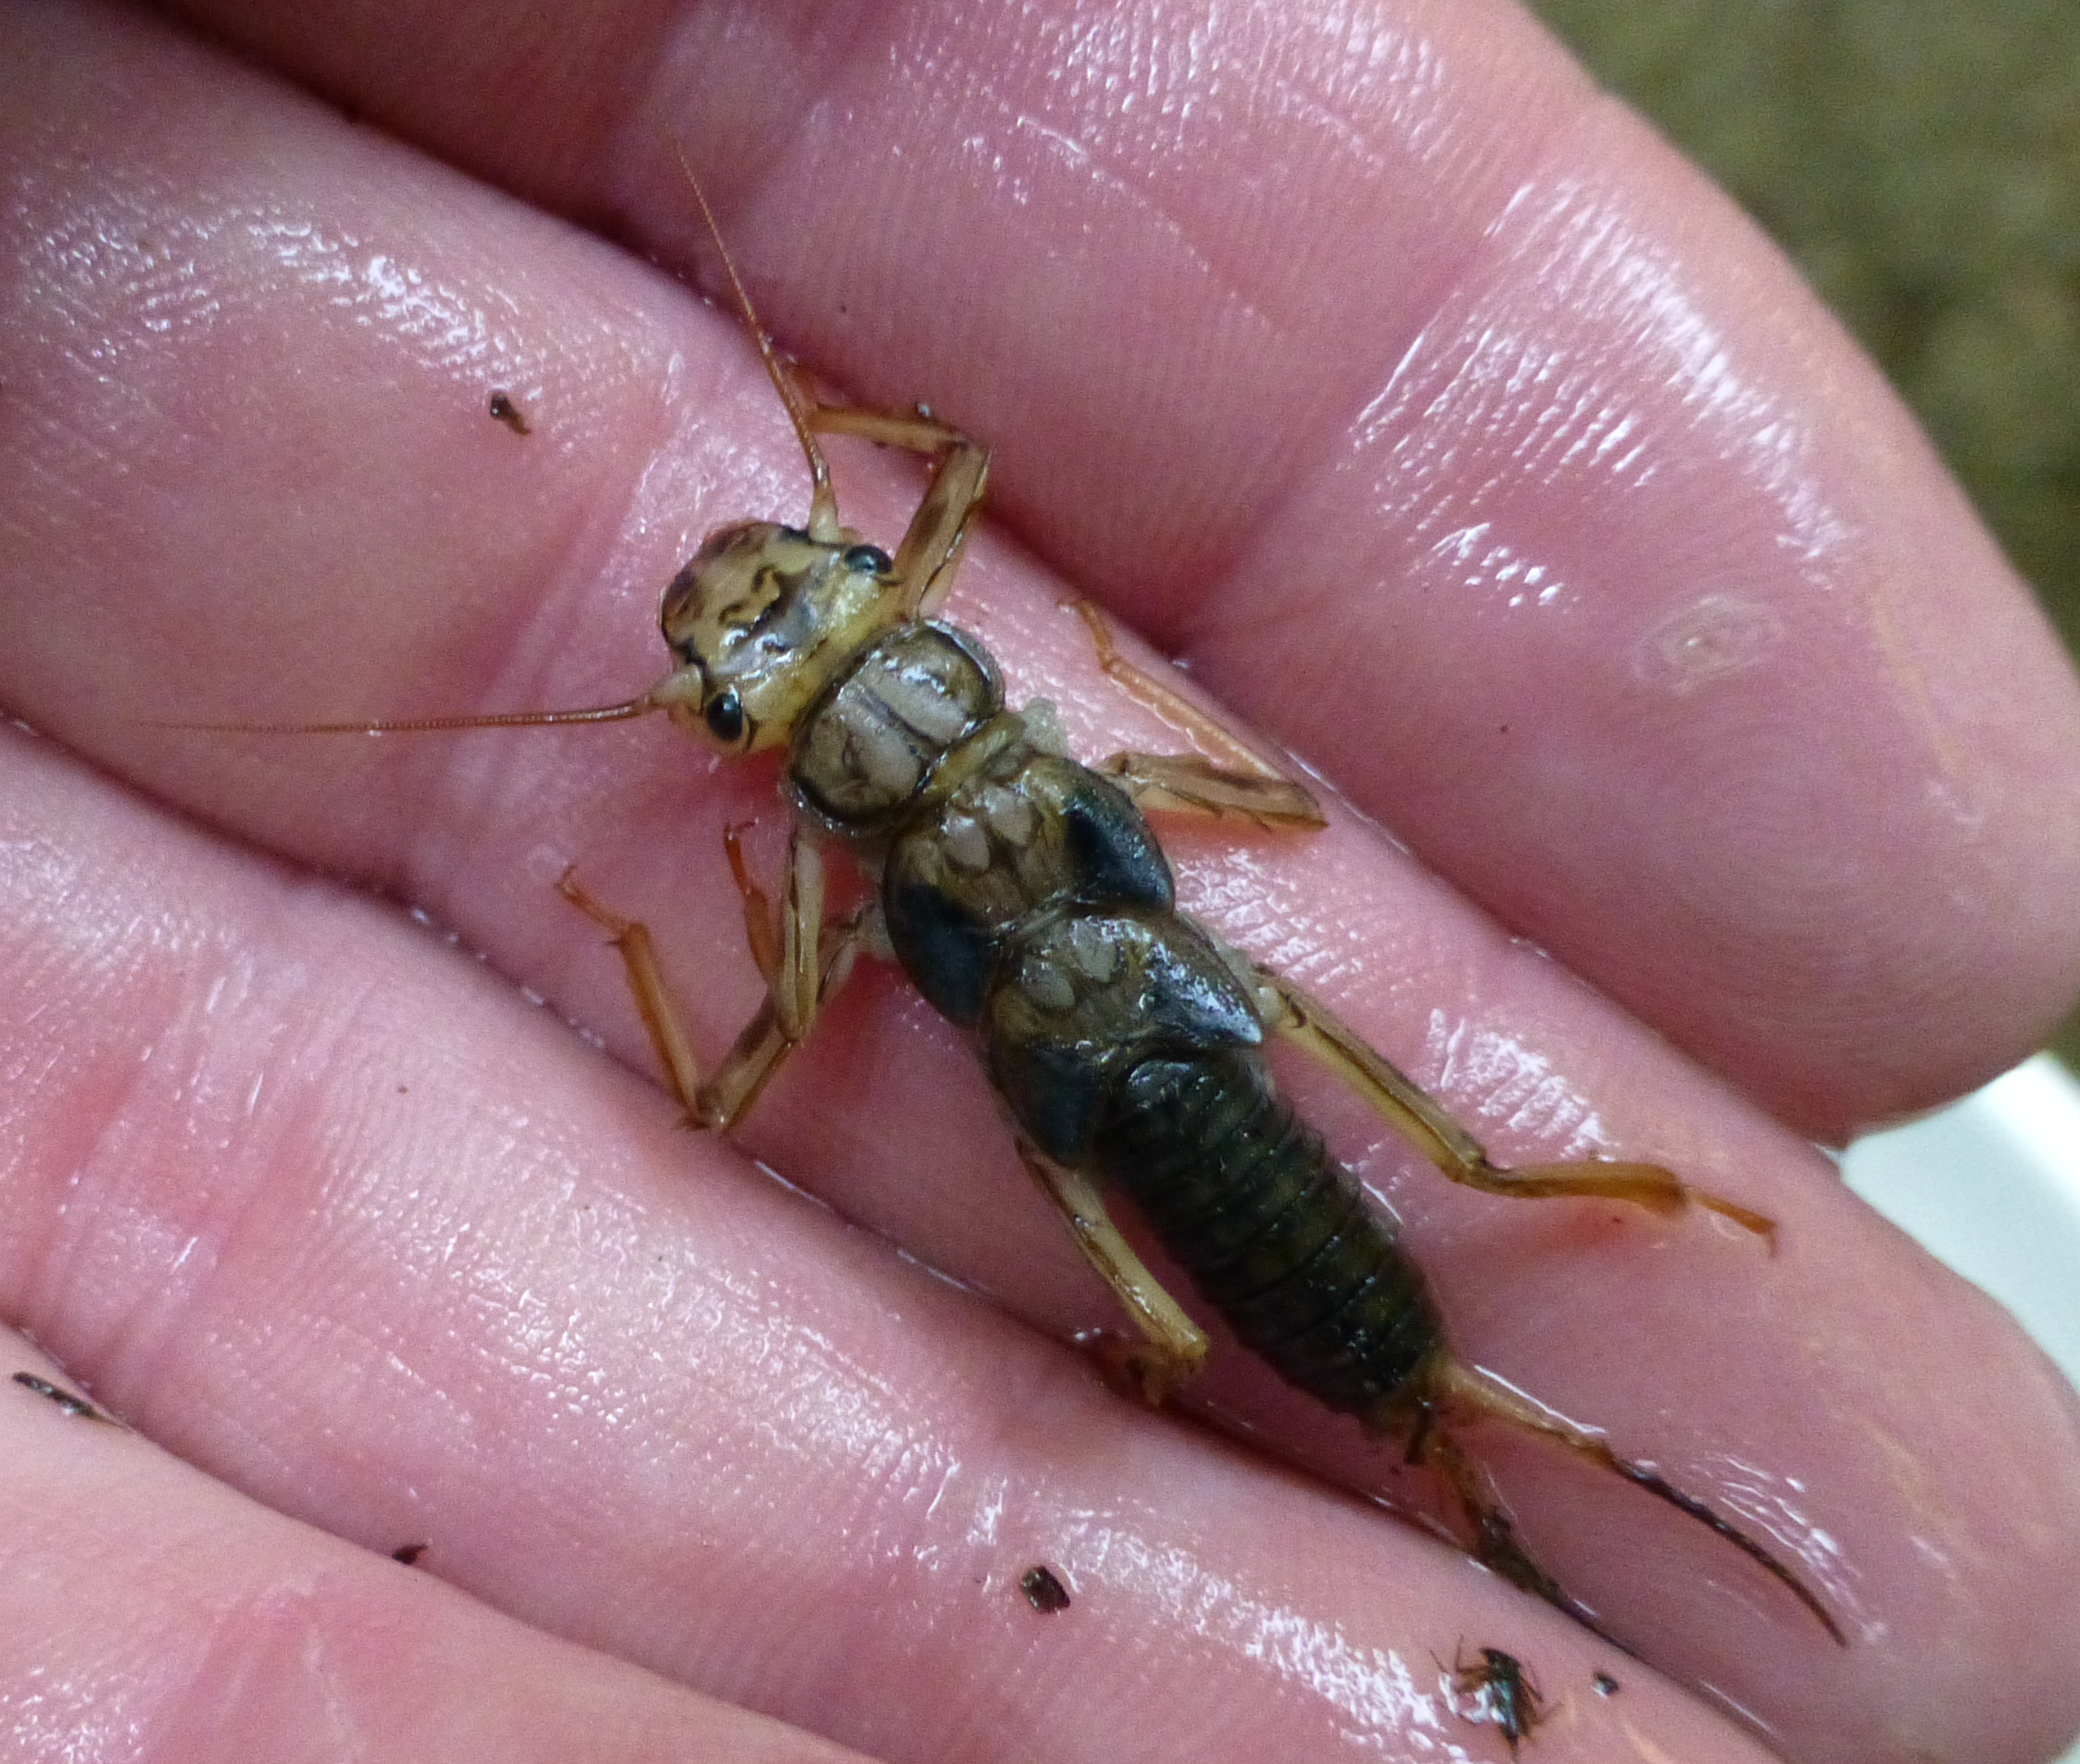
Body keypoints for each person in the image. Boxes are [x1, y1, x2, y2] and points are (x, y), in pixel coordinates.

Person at [2, 1, 2077, 1760]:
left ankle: (1453, 1386)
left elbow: (738, 1083)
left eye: (805, 609)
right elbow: (992, 510)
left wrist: (663, 941)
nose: (790, 619)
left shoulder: (825, 856)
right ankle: (1475, 1360)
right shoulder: (975, 686)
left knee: (1281, 1249)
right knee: (1436, 1168)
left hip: (1113, 1079)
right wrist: (842, 442)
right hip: (1153, 1023)